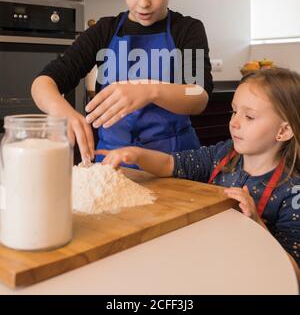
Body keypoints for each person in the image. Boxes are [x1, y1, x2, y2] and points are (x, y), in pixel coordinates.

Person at [31, 0, 213, 163]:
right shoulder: (104, 31)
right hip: (113, 162)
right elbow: (43, 83)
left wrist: (150, 90)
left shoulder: (187, 29)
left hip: (175, 162)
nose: (143, 3)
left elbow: (198, 94)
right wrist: (65, 114)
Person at [97, 68, 300, 280]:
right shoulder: (222, 155)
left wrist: (257, 222)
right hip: (212, 264)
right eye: (234, 111)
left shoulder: (293, 192)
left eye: (249, 116)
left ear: (283, 131)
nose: (234, 122)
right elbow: (170, 163)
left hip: (251, 277)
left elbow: (293, 271)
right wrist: (136, 155)